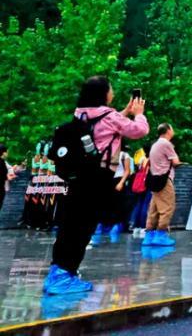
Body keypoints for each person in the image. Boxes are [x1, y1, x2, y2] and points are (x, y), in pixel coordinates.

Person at [44, 76, 149, 295]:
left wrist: (124, 112)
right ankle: (63, 277)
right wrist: (139, 114)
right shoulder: (110, 116)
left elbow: (103, 126)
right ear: (103, 93)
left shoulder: (80, 113)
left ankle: (59, 272)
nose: (113, 92)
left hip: (78, 177)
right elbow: (139, 131)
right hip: (98, 177)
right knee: (84, 226)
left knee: (71, 223)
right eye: (110, 89)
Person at [143, 123, 181, 247]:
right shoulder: (166, 144)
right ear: (168, 130)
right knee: (167, 208)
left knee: (153, 209)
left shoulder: (155, 144)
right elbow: (175, 162)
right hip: (165, 180)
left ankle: (149, 236)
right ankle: (161, 235)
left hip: (154, 180)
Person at [130, 145, 152, 238]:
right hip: (146, 184)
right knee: (145, 205)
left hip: (139, 185)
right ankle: (143, 227)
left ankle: (136, 227)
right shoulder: (150, 160)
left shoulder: (141, 159)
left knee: (138, 204)